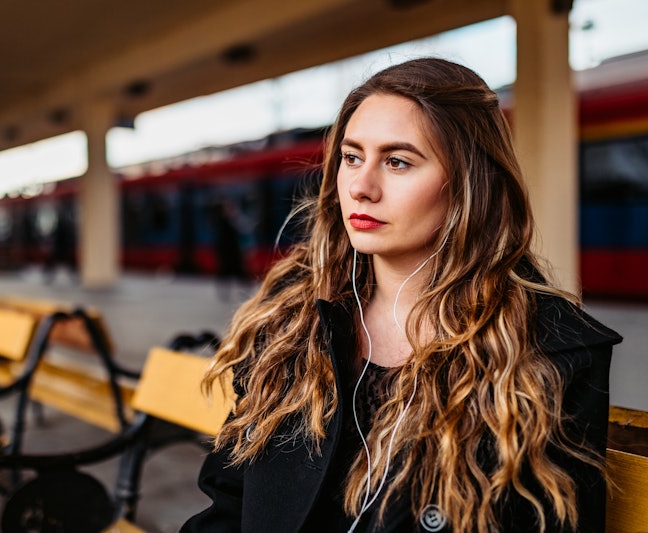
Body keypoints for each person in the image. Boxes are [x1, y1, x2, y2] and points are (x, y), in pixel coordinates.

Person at [181, 58, 622, 533]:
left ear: (469, 181)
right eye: (352, 157)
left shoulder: (549, 351)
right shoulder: (291, 319)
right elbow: (229, 500)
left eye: (397, 161)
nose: (360, 187)